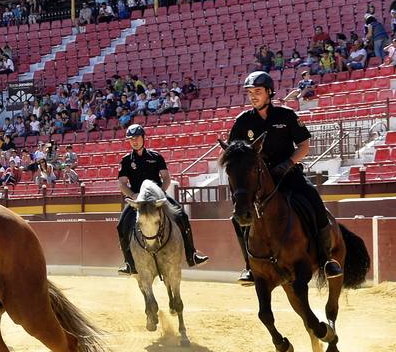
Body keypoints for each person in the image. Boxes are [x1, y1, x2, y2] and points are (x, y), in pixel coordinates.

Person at [229, 71, 342, 283]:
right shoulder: (242, 121)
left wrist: (288, 163)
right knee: (237, 216)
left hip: (288, 174)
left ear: (269, 93)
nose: (253, 96)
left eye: (258, 92)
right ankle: (249, 267)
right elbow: (233, 152)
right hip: (259, 182)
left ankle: (327, 260)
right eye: (250, 92)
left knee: (315, 201)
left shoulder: (286, 115)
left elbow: (304, 145)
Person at [116, 124, 209, 275]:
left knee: (182, 216)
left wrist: (160, 192)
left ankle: (191, 255)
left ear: (143, 138)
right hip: (138, 199)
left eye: (137, 138)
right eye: (131, 139)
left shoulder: (156, 156)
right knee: (121, 225)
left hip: (157, 197)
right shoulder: (126, 160)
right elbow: (122, 183)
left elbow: (166, 178)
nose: (134, 141)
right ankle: (129, 263)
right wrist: (133, 196)